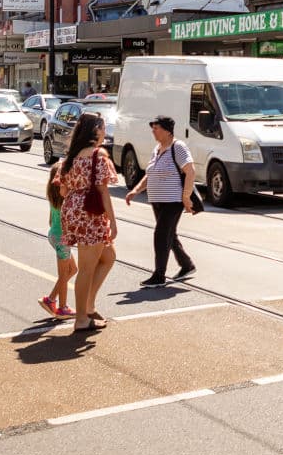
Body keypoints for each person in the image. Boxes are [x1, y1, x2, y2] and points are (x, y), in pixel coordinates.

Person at [58, 111, 118, 331]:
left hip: (72, 210)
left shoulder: (71, 156)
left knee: (108, 256)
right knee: (86, 269)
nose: (105, 132)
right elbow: (103, 191)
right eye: (103, 128)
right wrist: (113, 221)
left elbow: (63, 190)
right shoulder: (98, 155)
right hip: (90, 214)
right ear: (96, 130)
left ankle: (89, 305)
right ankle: (81, 318)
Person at [125, 115, 198, 287]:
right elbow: (150, 175)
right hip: (157, 201)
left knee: (161, 235)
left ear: (167, 131)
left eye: (156, 128)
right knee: (169, 235)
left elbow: (190, 171)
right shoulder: (157, 149)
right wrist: (135, 190)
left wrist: (186, 197)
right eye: (153, 128)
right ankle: (187, 265)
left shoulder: (178, 147)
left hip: (173, 201)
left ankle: (159, 276)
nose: (153, 131)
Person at [39, 165, 76, 319]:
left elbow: (51, 218)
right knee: (64, 274)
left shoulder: (52, 193)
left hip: (54, 234)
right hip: (62, 238)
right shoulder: (64, 196)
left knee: (73, 269)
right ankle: (62, 307)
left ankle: (50, 299)